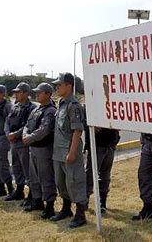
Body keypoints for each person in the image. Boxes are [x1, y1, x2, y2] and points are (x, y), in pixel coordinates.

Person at [50, 73, 87, 228]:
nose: (57, 87)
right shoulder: (62, 104)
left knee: (74, 181)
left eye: (60, 85)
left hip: (69, 151)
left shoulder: (74, 106)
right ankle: (66, 208)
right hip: (58, 151)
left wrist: (72, 152)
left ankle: (80, 213)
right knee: (61, 182)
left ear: (69, 86)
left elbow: (77, 130)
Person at [22, 83, 57, 216]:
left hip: (44, 149)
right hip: (34, 148)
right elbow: (27, 124)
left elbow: (44, 130)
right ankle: (37, 200)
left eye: (40, 92)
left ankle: (49, 205)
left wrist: (29, 138)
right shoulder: (36, 109)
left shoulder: (50, 111)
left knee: (45, 177)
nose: (37, 94)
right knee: (34, 177)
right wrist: (25, 134)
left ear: (48, 94)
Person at [4, 82, 35, 202]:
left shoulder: (31, 108)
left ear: (26, 93)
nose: (16, 94)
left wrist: (15, 134)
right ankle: (19, 190)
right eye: (15, 92)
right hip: (14, 143)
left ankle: (32, 193)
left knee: (27, 169)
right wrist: (8, 133)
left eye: (19, 92)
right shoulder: (15, 107)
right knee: (16, 168)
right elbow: (7, 121)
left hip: (24, 143)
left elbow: (29, 125)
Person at [84, 125, 120, 214]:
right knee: (90, 174)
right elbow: (84, 118)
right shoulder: (90, 110)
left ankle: (102, 202)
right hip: (96, 144)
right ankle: (84, 201)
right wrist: (89, 125)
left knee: (105, 175)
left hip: (110, 143)